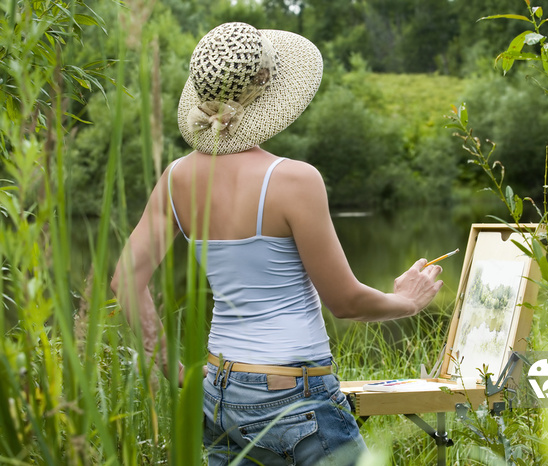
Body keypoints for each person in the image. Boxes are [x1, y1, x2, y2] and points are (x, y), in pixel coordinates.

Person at [111, 22, 443, 466]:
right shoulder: (293, 180)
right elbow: (344, 302)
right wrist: (406, 301)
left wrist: (171, 368)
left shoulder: (175, 178)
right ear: (268, 89)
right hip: (293, 394)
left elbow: (124, 282)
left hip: (218, 392)